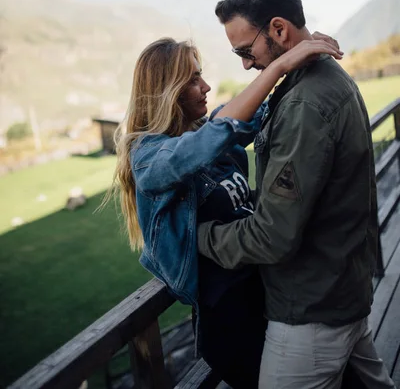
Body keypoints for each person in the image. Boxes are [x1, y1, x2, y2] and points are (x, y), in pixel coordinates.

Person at [110, 35, 345, 389]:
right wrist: (280, 66)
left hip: (272, 297)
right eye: (191, 79)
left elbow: (254, 115)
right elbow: (208, 142)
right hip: (231, 323)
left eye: (200, 75)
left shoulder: (207, 133)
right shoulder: (148, 157)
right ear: (166, 91)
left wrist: (298, 63)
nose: (205, 86)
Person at [197, 0, 396, 389]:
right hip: (342, 289)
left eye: (244, 50)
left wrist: (199, 237)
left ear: (279, 30)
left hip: (311, 313)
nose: (246, 64)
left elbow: (272, 236)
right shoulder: (315, 77)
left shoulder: (305, 102)